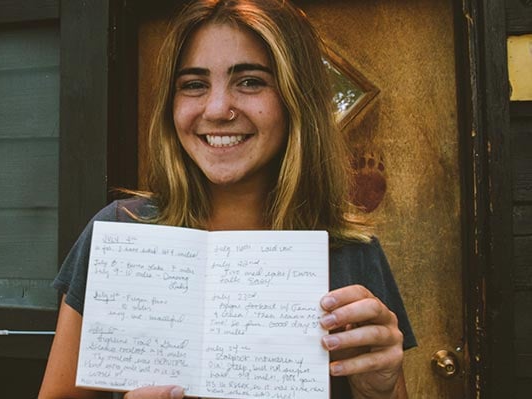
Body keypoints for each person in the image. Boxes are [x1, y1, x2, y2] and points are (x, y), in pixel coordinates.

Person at [39, 0, 417, 398]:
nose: (218, 109)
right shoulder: (119, 231)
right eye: (194, 84)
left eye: (250, 81)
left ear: (295, 98)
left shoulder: (352, 254)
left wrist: (380, 391)